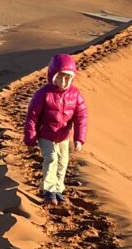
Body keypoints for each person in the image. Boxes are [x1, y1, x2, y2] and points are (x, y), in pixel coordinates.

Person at [23, 53, 88, 204]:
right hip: (46, 134)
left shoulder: (75, 94)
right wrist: (30, 141)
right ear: (52, 75)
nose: (63, 81)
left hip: (63, 136)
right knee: (51, 158)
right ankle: (49, 190)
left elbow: (81, 117)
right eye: (60, 77)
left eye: (67, 77)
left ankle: (58, 189)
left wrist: (79, 138)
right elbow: (32, 117)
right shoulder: (43, 94)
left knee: (63, 162)